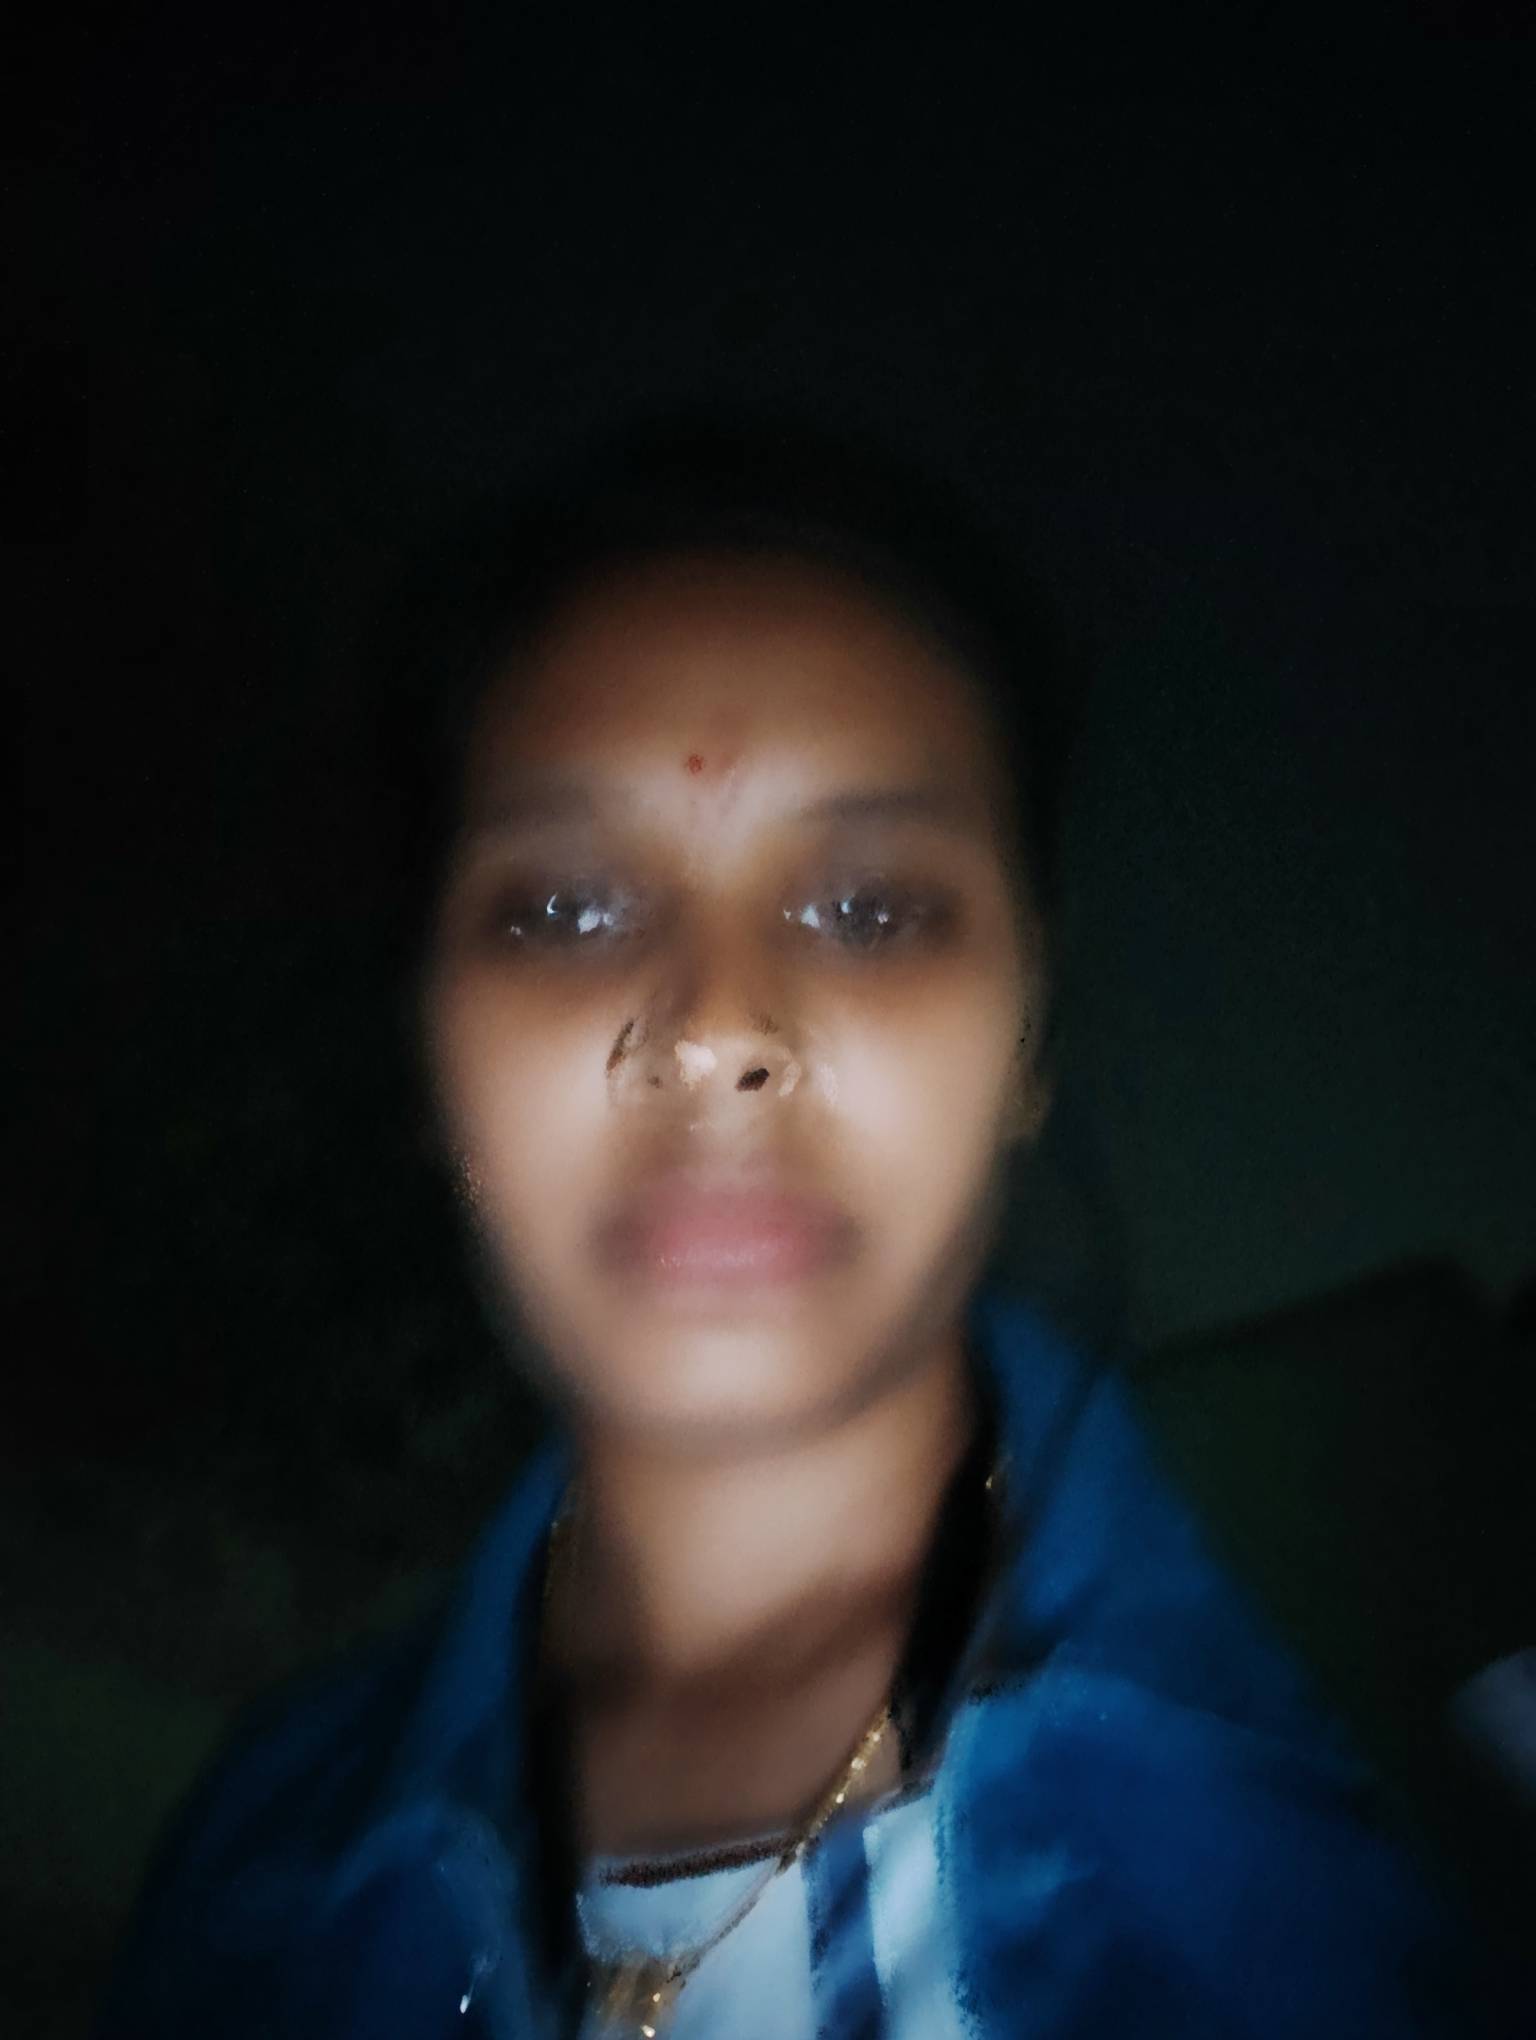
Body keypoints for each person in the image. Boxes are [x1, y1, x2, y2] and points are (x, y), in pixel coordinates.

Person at [96, 417, 1525, 2037]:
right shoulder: (251, 1867)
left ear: (1029, 1038)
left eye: (870, 909)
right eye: (565, 907)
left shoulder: (1415, 1703)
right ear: (428, 1047)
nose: (717, 1029)